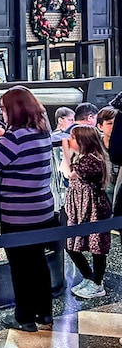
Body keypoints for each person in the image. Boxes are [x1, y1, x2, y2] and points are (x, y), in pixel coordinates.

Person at [0, 86, 54, 332]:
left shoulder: (14, 138)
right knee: (38, 263)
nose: (2, 113)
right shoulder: (42, 132)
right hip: (43, 210)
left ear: (13, 110)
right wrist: (5, 135)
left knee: (20, 266)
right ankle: (45, 313)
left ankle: (24, 317)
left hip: (18, 214)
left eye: (3, 108)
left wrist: (0, 139)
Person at [66, 125, 111, 299]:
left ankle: (97, 282)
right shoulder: (82, 156)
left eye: (72, 138)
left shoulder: (92, 160)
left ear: (83, 141)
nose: (69, 141)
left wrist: (65, 149)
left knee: (97, 246)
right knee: (71, 245)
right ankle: (89, 276)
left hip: (94, 208)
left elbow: (69, 173)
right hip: (79, 208)